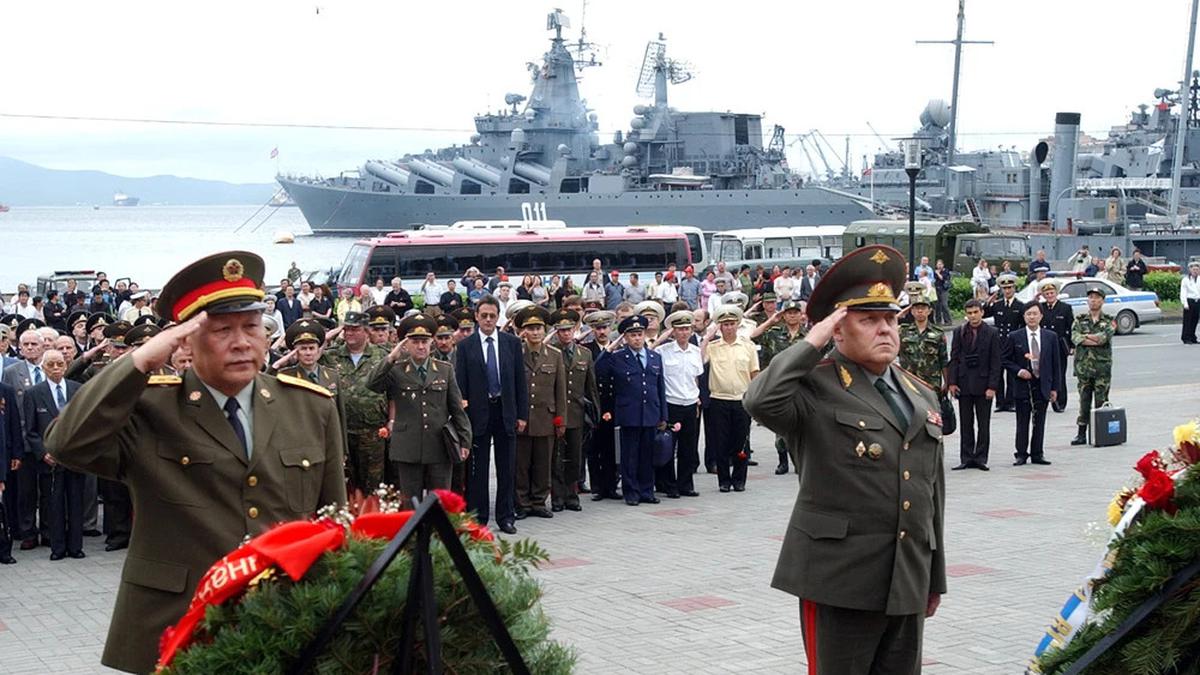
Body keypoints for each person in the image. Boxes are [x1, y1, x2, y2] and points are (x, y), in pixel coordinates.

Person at [46, 251, 346, 674]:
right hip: (179, 623)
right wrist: (139, 363)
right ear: (184, 340)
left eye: (252, 327)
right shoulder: (150, 406)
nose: (241, 342)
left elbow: (333, 522)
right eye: (222, 330)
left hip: (285, 618)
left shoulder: (310, 407)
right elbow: (67, 444)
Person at [743, 245, 945, 674]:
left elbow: (933, 494)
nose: (885, 330)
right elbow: (759, 400)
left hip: (906, 576)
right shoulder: (815, 386)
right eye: (868, 320)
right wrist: (812, 340)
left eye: (890, 319)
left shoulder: (920, 393)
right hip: (839, 578)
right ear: (838, 330)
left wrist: (934, 576)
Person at [368, 314, 471, 502]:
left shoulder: (444, 369)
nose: (421, 346)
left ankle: (436, 533)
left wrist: (465, 441)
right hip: (408, 446)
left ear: (431, 342)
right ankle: (414, 533)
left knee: (439, 502)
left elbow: (456, 408)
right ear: (406, 344)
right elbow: (372, 384)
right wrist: (391, 357)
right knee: (410, 502)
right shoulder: (397, 370)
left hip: (439, 445)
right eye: (415, 342)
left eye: (425, 341)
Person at [455, 296, 527, 534]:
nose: (487, 319)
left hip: (505, 411)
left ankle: (506, 517)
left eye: (492, 316)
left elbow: (520, 382)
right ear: (476, 316)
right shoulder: (466, 346)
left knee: (507, 467)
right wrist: (462, 419)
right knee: (479, 470)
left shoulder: (511, 344)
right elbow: (461, 385)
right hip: (478, 414)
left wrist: (522, 415)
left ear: (498, 317)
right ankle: (479, 517)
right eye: (483, 315)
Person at [595, 315, 667, 506]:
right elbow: (598, 369)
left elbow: (660, 388)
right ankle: (631, 492)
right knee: (630, 456)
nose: (637, 338)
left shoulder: (655, 357)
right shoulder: (618, 357)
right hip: (629, 413)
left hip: (650, 412)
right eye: (632, 335)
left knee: (647, 455)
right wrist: (610, 348)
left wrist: (663, 415)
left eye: (639, 334)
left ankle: (646, 490)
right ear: (625, 337)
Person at [21, 349, 83, 560]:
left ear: (66, 366)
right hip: (50, 460)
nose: (56, 368)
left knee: (75, 502)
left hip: (74, 459)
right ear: (44, 368)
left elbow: (84, 425)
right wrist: (43, 453)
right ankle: (57, 548)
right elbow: (30, 430)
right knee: (53, 504)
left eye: (59, 364)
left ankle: (76, 546)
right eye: (51, 365)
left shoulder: (77, 389)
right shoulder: (33, 393)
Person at [321, 311, 389, 492]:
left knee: (373, 485)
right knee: (345, 485)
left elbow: (393, 391)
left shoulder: (381, 355)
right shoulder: (332, 355)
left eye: (355, 329)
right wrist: (326, 337)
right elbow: (308, 356)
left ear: (366, 331)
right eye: (347, 329)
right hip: (342, 431)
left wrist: (391, 420)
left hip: (373, 430)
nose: (349, 333)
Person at [511, 306, 566, 519]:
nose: (535, 332)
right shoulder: (516, 353)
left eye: (538, 328)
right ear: (523, 331)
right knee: (521, 465)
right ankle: (522, 503)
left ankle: (539, 502)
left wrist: (561, 419)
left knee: (543, 463)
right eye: (530, 328)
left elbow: (560, 390)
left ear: (544, 330)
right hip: (523, 419)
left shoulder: (554, 355)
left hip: (546, 417)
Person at [702, 304, 760, 492]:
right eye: (725, 324)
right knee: (721, 442)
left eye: (732, 323)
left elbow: (754, 374)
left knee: (740, 442)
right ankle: (724, 481)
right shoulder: (713, 346)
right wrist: (707, 337)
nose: (729, 327)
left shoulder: (747, 346)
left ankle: (739, 479)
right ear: (720, 326)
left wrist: (755, 399)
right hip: (719, 399)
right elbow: (699, 360)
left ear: (738, 324)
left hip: (741, 400)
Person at [751, 299, 808, 475]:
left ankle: (800, 461)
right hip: (780, 384)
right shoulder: (775, 333)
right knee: (781, 425)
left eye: (795, 312)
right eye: (789, 313)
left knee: (803, 425)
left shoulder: (808, 336)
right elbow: (753, 336)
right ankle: (782, 460)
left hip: (802, 384)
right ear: (783, 315)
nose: (792, 316)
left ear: (801, 315)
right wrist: (771, 321)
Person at [551, 309, 597, 512]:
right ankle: (557, 497)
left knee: (575, 456)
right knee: (557, 457)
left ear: (575, 330)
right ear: (556, 332)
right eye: (561, 331)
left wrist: (595, 412)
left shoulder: (584, 354)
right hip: (557, 414)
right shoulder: (551, 352)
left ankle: (572, 495)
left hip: (577, 413)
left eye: (569, 330)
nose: (565, 334)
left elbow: (591, 387)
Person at [947, 299, 1002, 471]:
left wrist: (992, 386)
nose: (973, 316)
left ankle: (981, 457)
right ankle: (966, 457)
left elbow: (996, 362)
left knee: (983, 423)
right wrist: (952, 382)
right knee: (966, 422)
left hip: (984, 383)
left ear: (982, 312)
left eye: (975, 312)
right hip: (964, 383)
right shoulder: (959, 331)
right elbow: (954, 358)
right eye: (969, 313)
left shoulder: (992, 332)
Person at [1005, 303, 1062, 466]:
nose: (1031, 317)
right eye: (1028, 314)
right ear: (1024, 317)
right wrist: (1019, 371)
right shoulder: (1015, 336)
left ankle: (1037, 453)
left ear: (1041, 316)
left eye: (1035, 314)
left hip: (1043, 383)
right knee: (1022, 420)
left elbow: (1055, 364)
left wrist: (1054, 388)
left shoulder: (1050, 336)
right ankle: (1021, 453)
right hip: (1023, 384)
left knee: (1040, 420)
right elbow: (1005, 360)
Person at [655, 310, 704, 498]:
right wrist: (661, 339)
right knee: (668, 447)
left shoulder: (695, 351)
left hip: (690, 404)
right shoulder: (663, 351)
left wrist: (698, 400)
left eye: (687, 329)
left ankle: (686, 484)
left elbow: (696, 378)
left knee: (688, 447)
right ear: (672, 331)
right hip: (671, 404)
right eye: (679, 329)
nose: (684, 333)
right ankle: (669, 485)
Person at [581, 310, 620, 501]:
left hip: (613, 405)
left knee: (612, 448)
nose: (602, 332)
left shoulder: (618, 351)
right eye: (597, 328)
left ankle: (611, 486)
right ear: (592, 330)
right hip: (595, 405)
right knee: (594, 448)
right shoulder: (588, 350)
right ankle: (597, 487)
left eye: (604, 327)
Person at [1070, 286, 1115, 445]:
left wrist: (1086, 338)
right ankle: (1081, 433)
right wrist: (1091, 339)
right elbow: (1075, 337)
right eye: (1091, 297)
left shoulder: (1109, 320)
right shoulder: (1080, 319)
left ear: (1102, 300)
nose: (1093, 300)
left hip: (1102, 368)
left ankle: (1100, 432)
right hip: (1083, 368)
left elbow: (1104, 338)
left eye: (1097, 297)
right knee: (1084, 401)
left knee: (1101, 401)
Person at [984, 275, 1025, 413]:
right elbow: (984, 313)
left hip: (1013, 343)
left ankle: (1011, 401)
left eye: (1010, 288)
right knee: (997, 373)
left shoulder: (1020, 306)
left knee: (1012, 374)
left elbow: (1023, 325)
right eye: (1005, 288)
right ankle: (1000, 402)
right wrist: (987, 302)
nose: (1007, 291)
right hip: (999, 343)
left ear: (1014, 288)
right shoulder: (997, 305)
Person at [1039, 281, 1074, 412]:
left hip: (1060, 346)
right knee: (1044, 374)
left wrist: (1072, 345)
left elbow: (1071, 328)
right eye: (1046, 293)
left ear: (1056, 293)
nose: (1049, 295)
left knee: (1059, 375)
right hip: (1044, 346)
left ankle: (1060, 403)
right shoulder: (1040, 308)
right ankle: (1043, 400)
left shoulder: (1065, 308)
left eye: (1051, 293)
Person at [0, 378, 22, 565]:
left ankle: (4, 549)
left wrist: (16, 453)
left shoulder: (5, 390)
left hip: (3, 455)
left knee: (4, 507)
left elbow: (14, 423)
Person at [1182, 261, 1200, 345]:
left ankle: (1193, 337)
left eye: (1197, 269)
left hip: (1198, 301)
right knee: (1187, 321)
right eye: (1194, 269)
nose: (1195, 271)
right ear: (1190, 270)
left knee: (1195, 320)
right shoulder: (1186, 280)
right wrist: (1185, 303)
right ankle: (1186, 337)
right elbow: (1183, 292)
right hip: (1189, 301)